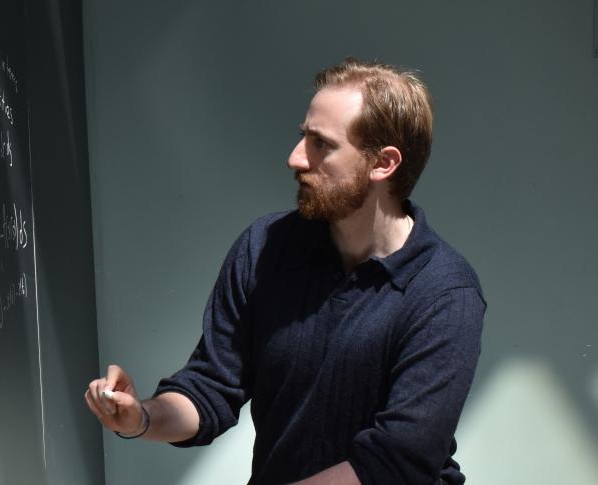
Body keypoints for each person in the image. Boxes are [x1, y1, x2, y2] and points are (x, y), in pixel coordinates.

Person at [83, 58, 486, 485]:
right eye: (302, 137)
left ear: (382, 164)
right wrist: (140, 416)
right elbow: (212, 385)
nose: (295, 158)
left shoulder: (446, 292)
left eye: (321, 144)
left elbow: (395, 463)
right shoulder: (266, 246)